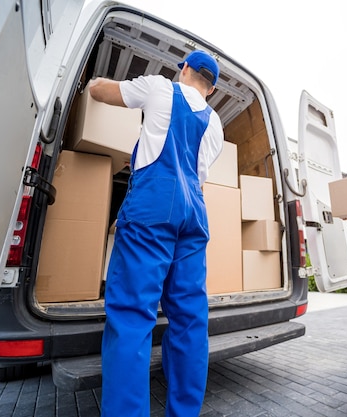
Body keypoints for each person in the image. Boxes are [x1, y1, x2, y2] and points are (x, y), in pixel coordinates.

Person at [88, 50, 224, 416]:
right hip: (193, 217)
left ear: (184, 70)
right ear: (211, 88)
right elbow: (194, 173)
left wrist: (90, 81)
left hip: (152, 207)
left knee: (133, 316)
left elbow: (103, 91)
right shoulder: (216, 124)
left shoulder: (160, 88)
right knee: (190, 320)